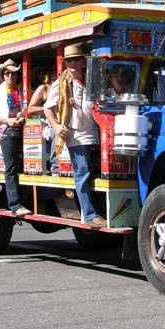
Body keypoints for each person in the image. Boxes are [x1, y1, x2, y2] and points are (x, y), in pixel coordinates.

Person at [44, 42, 104, 226]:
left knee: (98, 174)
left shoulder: (91, 79)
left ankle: (97, 210)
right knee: (82, 174)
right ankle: (90, 214)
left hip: (96, 132)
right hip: (77, 135)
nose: (73, 64)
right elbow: (48, 108)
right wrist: (55, 126)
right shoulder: (61, 83)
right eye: (70, 61)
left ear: (83, 62)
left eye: (76, 60)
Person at [0, 60, 29, 216]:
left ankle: (22, 200)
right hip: (6, 132)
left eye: (13, 73)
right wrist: (6, 120)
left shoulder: (20, 91)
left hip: (21, 130)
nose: (10, 76)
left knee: (23, 167)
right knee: (10, 169)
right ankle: (15, 205)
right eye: (7, 73)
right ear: (3, 75)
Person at [28, 69, 55, 174]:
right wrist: (48, 108)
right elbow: (30, 109)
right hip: (47, 127)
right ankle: (55, 168)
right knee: (57, 133)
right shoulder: (44, 88)